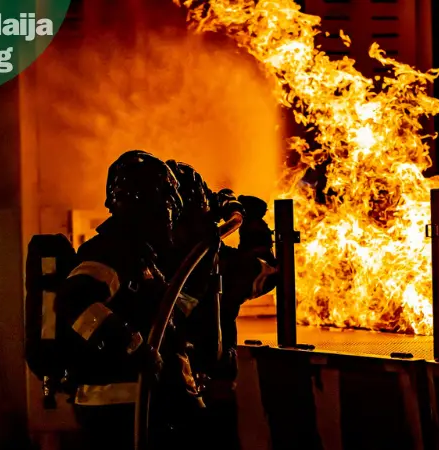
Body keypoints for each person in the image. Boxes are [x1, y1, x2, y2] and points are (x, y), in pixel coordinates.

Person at [55, 150, 203, 449]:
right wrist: (134, 348)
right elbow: (74, 302)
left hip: (140, 404)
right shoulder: (112, 252)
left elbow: (176, 309)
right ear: (146, 202)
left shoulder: (139, 255)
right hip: (119, 408)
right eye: (166, 200)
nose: (170, 211)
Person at [164, 160, 279, 449]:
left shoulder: (144, 257)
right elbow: (265, 272)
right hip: (208, 388)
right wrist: (253, 226)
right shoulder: (210, 261)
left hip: (161, 390)